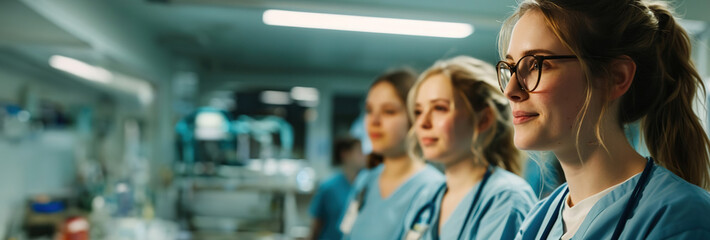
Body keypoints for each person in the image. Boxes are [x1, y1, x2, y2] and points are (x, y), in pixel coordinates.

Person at [496, 0, 710, 239]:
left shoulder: (681, 218)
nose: (510, 90)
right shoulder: (539, 220)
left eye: (536, 65)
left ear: (616, 78)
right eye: (511, 67)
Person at [400, 56, 537, 240]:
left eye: (440, 108)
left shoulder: (506, 199)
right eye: (418, 111)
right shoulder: (427, 198)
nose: (422, 123)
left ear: (483, 119)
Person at [340, 69, 445, 240]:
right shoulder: (365, 182)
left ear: (415, 117)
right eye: (369, 110)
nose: (374, 121)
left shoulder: (433, 189)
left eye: (389, 111)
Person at [308, 137, 365, 240]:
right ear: (345, 154)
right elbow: (316, 226)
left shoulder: (364, 186)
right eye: (359, 152)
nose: (364, 156)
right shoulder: (328, 187)